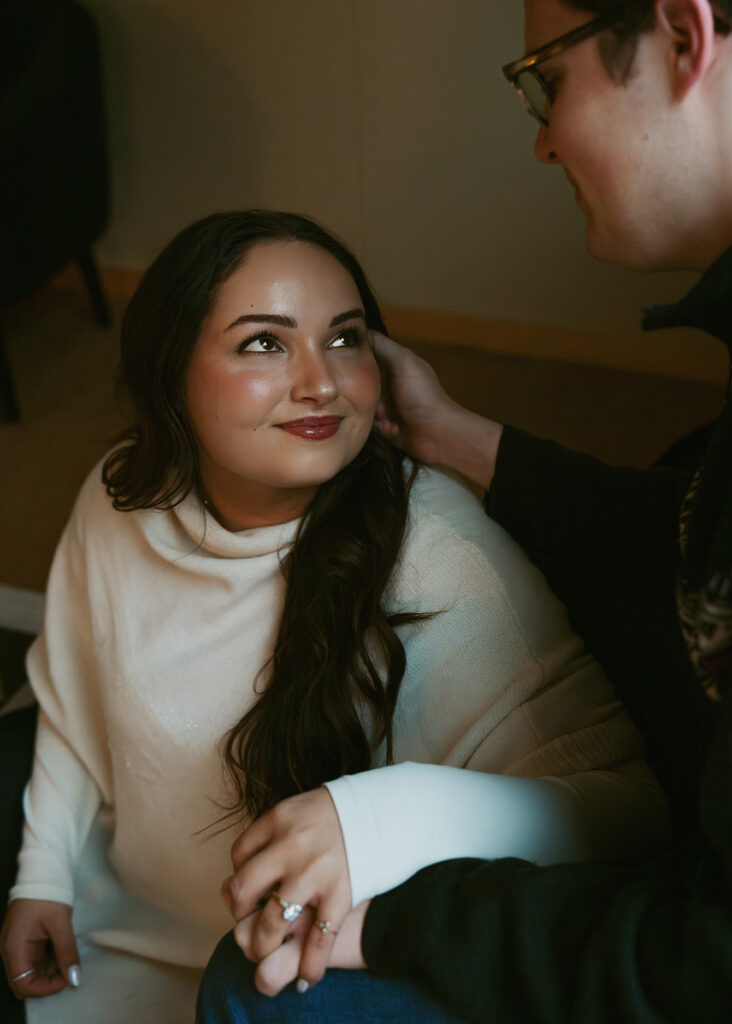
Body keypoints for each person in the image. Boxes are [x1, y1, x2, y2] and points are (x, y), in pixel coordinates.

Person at [196, 2, 732, 1022]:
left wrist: (405, 910)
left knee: (261, 989)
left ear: (680, 35)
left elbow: (705, 960)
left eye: (544, 80)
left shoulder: (440, 558)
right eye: (264, 342)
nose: (538, 139)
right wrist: (457, 435)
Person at [0, 209, 665, 1024]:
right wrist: (42, 877)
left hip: (300, 974)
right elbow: (73, 699)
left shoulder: (438, 552)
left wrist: (381, 817)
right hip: (122, 923)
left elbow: (628, 808)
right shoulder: (119, 493)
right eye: (264, 343)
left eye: (345, 338)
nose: (320, 382)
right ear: (171, 370)